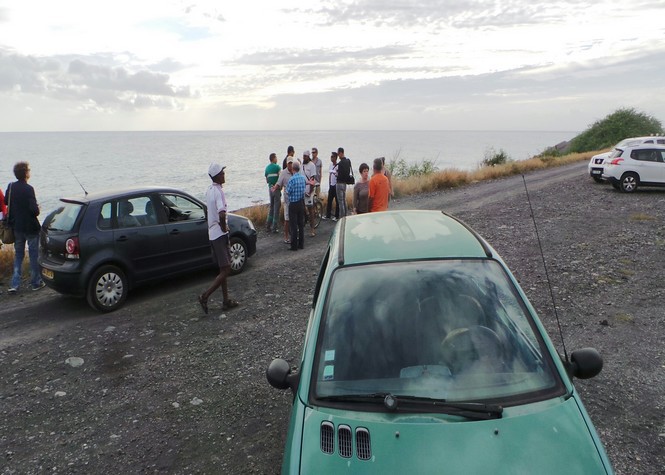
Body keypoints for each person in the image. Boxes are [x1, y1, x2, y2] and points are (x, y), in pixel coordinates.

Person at [198, 163, 239, 315]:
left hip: (212, 234)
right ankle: (205, 296)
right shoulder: (219, 192)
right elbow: (222, 213)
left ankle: (226, 300)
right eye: (222, 173)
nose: (224, 175)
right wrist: (224, 228)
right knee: (227, 268)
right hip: (219, 234)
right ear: (216, 176)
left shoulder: (209, 190)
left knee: (223, 268)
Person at [5, 161, 44, 293]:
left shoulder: (11, 187)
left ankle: (14, 284)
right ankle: (35, 282)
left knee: (18, 255)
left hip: (17, 227)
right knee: (34, 255)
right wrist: (38, 208)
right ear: (26, 173)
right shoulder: (29, 189)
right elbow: (34, 211)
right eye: (29, 170)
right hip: (30, 227)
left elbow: (6, 201)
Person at [286, 160, 306, 251]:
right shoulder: (302, 178)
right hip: (301, 202)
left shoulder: (292, 179)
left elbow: (287, 191)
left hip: (293, 203)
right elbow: (304, 190)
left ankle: (294, 246)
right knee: (301, 224)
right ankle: (301, 244)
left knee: (293, 225)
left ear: (293, 169)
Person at [273, 157, 294, 243]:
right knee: (287, 218)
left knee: (294, 218)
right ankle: (286, 236)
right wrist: (275, 187)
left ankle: (294, 234)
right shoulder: (283, 173)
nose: (290, 165)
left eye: (291, 163)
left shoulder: (296, 171)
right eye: (289, 163)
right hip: (287, 199)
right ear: (286, 164)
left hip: (295, 199)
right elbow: (279, 183)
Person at [302, 150, 318, 237]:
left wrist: (310, 191)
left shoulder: (312, 165)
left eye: (305, 156)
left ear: (308, 156)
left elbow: (312, 179)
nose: (304, 157)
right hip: (303, 190)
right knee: (303, 209)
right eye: (303, 156)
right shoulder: (302, 165)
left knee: (310, 210)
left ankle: (312, 229)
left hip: (309, 191)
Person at [264, 152, 281, 233]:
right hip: (276, 189)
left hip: (270, 189)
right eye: (276, 157)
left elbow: (267, 180)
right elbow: (280, 178)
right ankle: (274, 227)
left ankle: (268, 225)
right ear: (273, 158)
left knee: (271, 207)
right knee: (276, 208)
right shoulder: (277, 167)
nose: (277, 159)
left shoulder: (267, 168)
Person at [336, 147, 353, 218]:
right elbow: (347, 172)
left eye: (338, 154)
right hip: (345, 183)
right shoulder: (348, 161)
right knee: (344, 199)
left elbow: (339, 174)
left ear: (341, 153)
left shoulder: (340, 163)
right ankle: (345, 215)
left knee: (341, 202)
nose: (338, 156)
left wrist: (336, 174)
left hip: (339, 183)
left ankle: (342, 217)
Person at [323, 152, 339, 221]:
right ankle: (328, 215)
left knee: (337, 201)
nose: (331, 158)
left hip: (336, 185)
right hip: (331, 185)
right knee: (329, 200)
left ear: (336, 157)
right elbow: (330, 175)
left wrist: (336, 174)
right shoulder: (330, 165)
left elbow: (339, 175)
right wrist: (329, 183)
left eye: (332, 157)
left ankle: (337, 216)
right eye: (331, 156)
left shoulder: (338, 166)